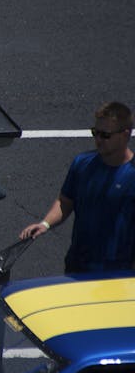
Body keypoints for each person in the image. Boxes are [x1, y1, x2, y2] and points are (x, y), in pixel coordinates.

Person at [19, 101, 135, 273]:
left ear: (125, 135)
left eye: (105, 135)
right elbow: (65, 201)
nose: (98, 140)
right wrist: (45, 224)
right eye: (95, 132)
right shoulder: (82, 163)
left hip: (117, 273)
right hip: (77, 265)